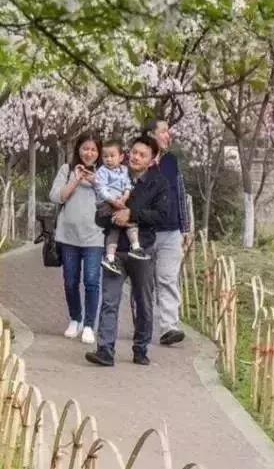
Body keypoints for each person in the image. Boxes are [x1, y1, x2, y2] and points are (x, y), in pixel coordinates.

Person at [85, 135, 169, 367]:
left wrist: (132, 215)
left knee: (142, 301)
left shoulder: (158, 183)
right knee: (110, 300)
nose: (136, 157)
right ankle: (105, 349)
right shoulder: (113, 176)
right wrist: (113, 217)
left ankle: (141, 348)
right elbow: (99, 215)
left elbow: (162, 216)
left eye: (142, 155)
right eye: (133, 152)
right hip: (115, 250)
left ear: (152, 159)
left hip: (142, 250)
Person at [48, 132, 105, 345]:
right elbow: (56, 196)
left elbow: (111, 198)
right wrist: (76, 179)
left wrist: (95, 181)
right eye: (85, 148)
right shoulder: (67, 170)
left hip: (94, 237)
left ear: (98, 152)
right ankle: (75, 318)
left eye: (93, 149)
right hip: (68, 236)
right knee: (70, 281)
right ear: (78, 149)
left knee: (91, 281)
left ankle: (90, 324)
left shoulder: (104, 172)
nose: (88, 153)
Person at [143, 119, 189, 346]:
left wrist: (185, 228)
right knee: (144, 282)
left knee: (168, 278)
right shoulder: (139, 160)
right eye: (163, 131)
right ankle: (142, 324)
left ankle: (169, 327)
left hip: (171, 231)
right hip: (146, 231)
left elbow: (180, 193)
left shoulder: (171, 161)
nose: (168, 136)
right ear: (151, 134)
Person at [94, 139, 145, 274]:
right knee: (120, 224)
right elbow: (101, 189)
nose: (108, 160)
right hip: (106, 204)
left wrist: (125, 196)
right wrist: (113, 200)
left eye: (112, 156)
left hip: (121, 201)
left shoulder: (124, 170)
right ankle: (114, 256)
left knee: (122, 224)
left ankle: (132, 248)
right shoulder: (102, 172)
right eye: (105, 156)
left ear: (121, 157)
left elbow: (128, 184)